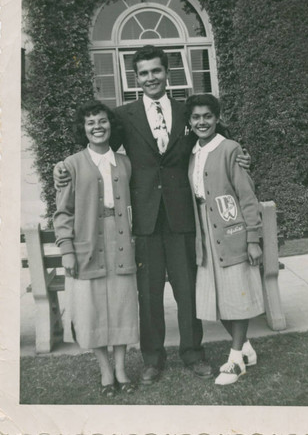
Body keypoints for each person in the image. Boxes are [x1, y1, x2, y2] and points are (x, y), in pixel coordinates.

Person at [54, 45, 250, 385]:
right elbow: (95, 147)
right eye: (143, 73)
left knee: (187, 290)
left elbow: (218, 136)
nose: (150, 78)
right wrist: (61, 168)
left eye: (156, 71)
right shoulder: (123, 116)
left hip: (182, 216)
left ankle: (193, 353)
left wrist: (242, 156)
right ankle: (152, 360)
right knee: (148, 294)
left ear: (166, 72)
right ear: (136, 78)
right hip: (142, 220)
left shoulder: (186, 110)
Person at [53, 101, 138, 397]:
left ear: (110, 125)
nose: (97, 127)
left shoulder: (125, 163)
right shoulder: (70, 165)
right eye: (91, 123)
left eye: (102, 121)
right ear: (84, 129)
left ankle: (121, 369)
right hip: (87, 243)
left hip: (122, 242)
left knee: (122, 304)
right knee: (93, 309)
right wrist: (66, 249)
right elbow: (63, 213)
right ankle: (105, 371)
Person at [186, 94, 264, 386]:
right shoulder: (191, 153)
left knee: (236, 296)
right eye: (196, 117)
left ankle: (234, 362)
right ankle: (244, 347)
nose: (202, 122)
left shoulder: (230, 149)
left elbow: (247, 196)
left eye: (207, 116)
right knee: (217, 300)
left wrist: (252, 239)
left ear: (216, 118)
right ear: (189, 121)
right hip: (204, 234)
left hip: (230, 231)